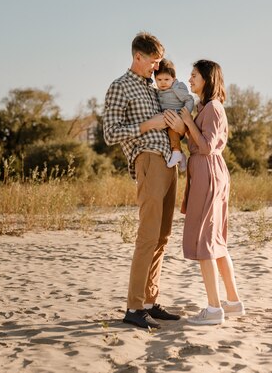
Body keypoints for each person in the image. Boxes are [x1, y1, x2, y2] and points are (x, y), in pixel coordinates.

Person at [103, 32, 185, 329]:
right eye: (153, 61)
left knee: (162, 238)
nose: (156, 67)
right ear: (138, 57)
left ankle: (150, 301)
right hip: (148, 160)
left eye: (159, 62)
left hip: (168, 162)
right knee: (148, 236)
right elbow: (109, 133)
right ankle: (134, 308)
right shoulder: (119, 86)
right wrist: (147, 125)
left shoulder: (155, 88)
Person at [176, 59, 245, 325]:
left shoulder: (214, 108)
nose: (190, 79)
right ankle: (233, 302)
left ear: (207, 78)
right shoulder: (204, 107)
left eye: (194, 75)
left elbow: (205, 146)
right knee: (215, 241)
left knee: (206, 241)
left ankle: (214, 309)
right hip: (205, 172)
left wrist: (187, 122)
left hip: (208, 171)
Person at [154, 59, 195, 171]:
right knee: (167, 136)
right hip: (167, 121)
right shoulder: (157, 91)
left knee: (172, 129)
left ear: (174, 79)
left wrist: (184, 115)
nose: (163, 82)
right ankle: (180, 155)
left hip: (177, 118)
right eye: (159, 79)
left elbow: (189, 99)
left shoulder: (177, 88)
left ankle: (177, 152)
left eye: (167, 79)